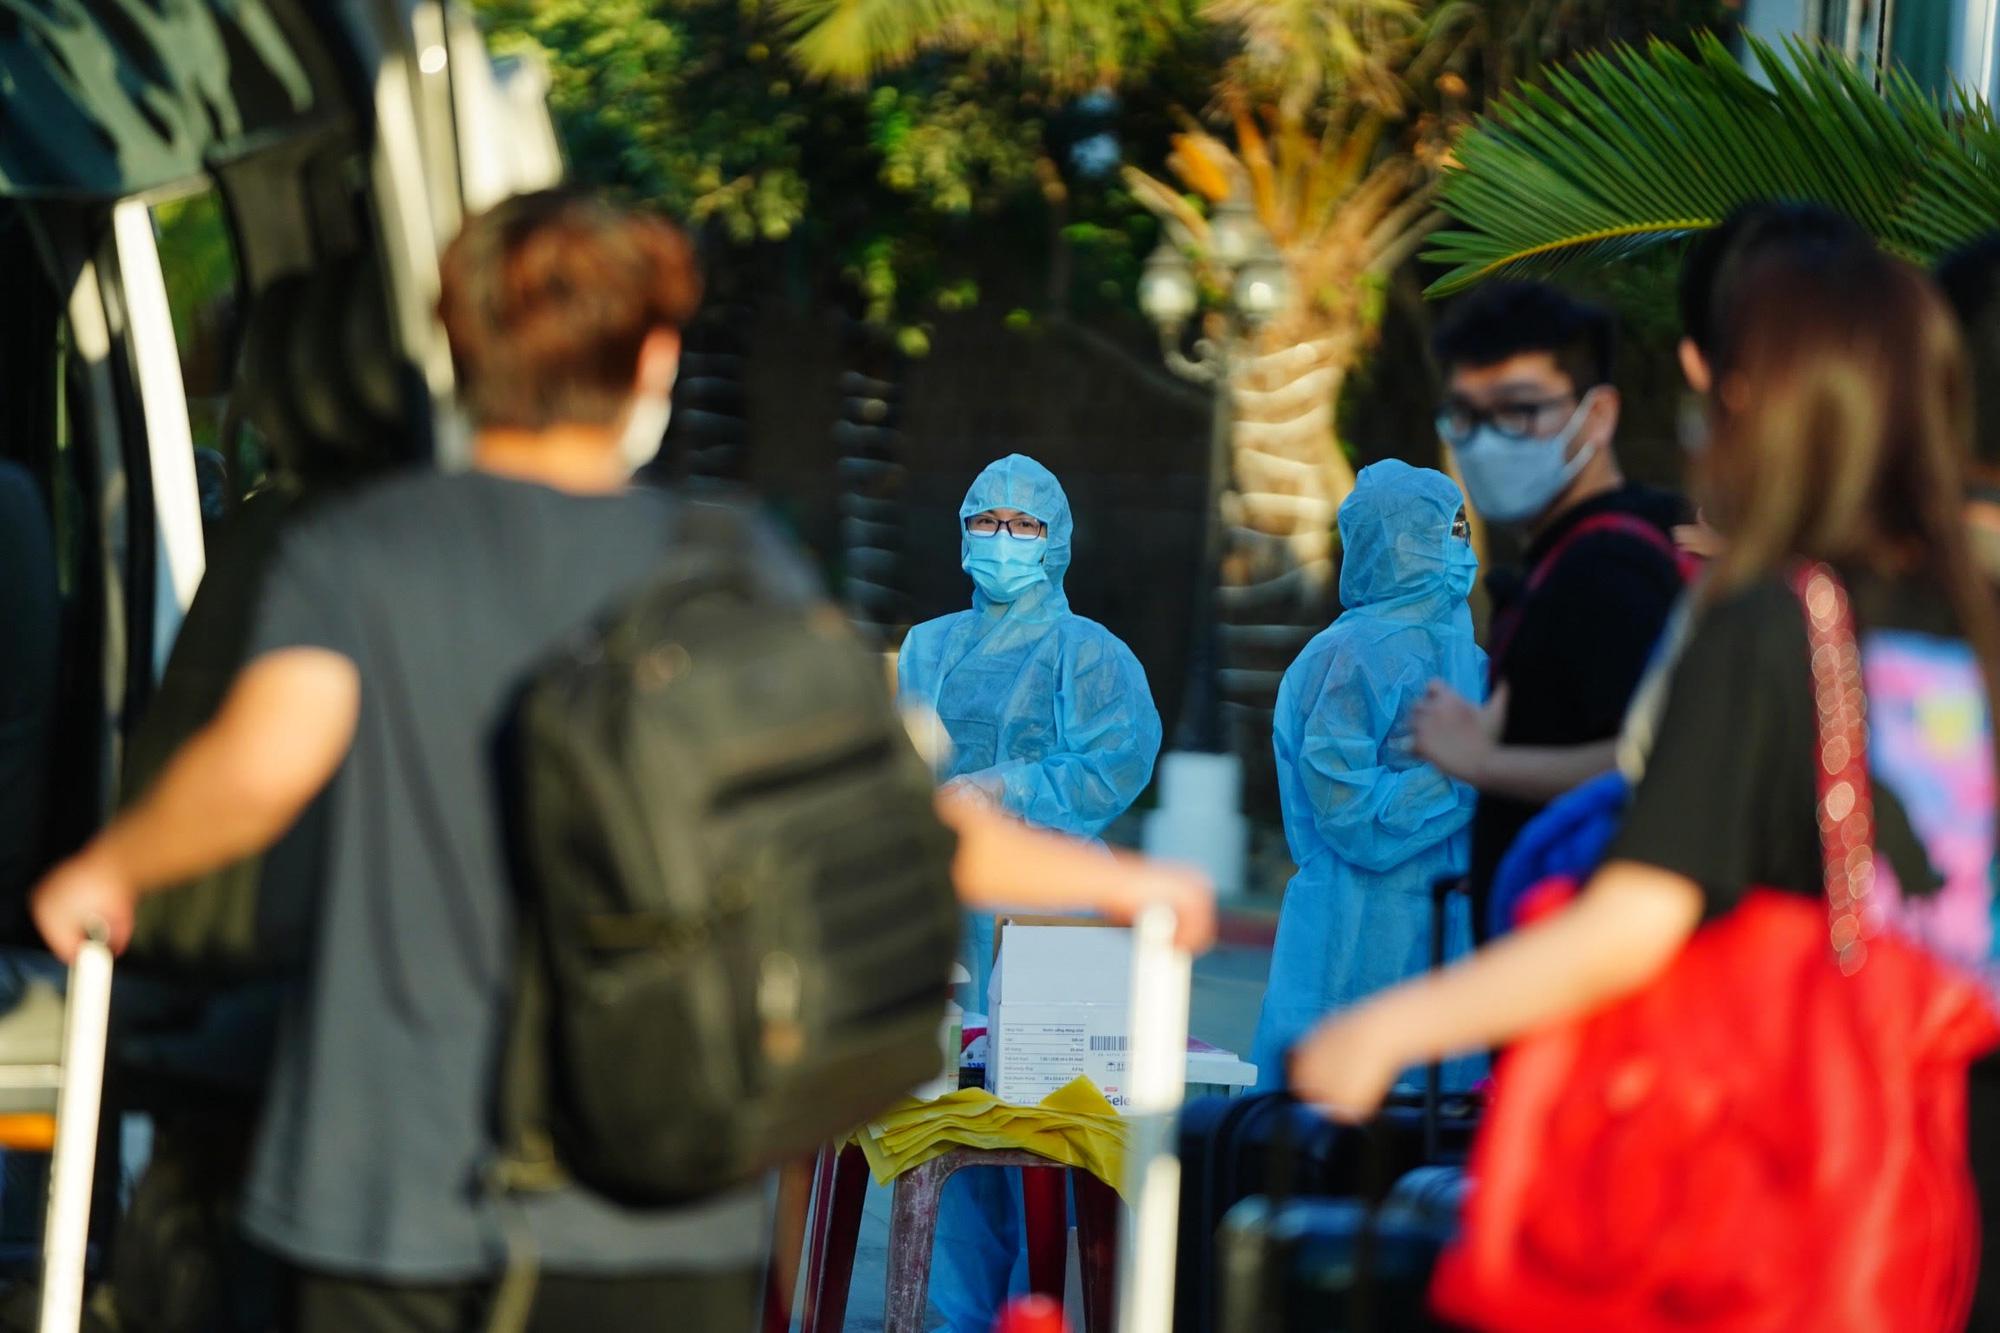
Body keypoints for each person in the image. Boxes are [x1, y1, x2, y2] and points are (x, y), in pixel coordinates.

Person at [28, 193, 1209, 1333]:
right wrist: (1121, 886)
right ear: (653, 360)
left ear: (455, 343)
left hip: (388, 1186)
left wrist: (104, 873)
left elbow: (258, 770)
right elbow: (880, 819)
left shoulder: (358, 554)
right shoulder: (725, 565)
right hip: (652, 1194)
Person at [1292, 242, 1999, 1314]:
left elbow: (1633, 920)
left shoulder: (1771, 624)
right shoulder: (1960, 622)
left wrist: (1389, 1028)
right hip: (1938, 1156)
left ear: (1762, 404)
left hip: (1803, 1169)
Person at [895, 453, 1162, 1333]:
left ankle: (1043, 1309)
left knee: (1048, 1125)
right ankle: (957, 1315)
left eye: (1025, 524)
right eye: (987, 519)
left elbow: (1116, 762)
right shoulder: (928, 647)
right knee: (950, 1120)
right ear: (962, 530)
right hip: (945, 905)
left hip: (1050, 911)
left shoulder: (1089, 654)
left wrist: (1013, 786)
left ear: (1057, 540)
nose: (1003, 538)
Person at [1409, 282, 1688, 933]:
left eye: (1520, 410)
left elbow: (1656, 760)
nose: (1487, 442)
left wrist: (1481, 761)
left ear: (1597, 416)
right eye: (1465, 415)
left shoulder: (1606, 569)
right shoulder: (1594, 545)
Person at [1248, 460, 1482, 1091]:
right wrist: (1464, 775)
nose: (1461, 545)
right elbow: (1352, 817)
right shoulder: (1348, 658)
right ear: (1397, 541)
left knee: (1441, 1118)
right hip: (1355, 926)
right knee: (1337, 1113)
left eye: (1462, 528)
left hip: (1454, 929)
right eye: (1445, 529)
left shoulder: (1471, 658)